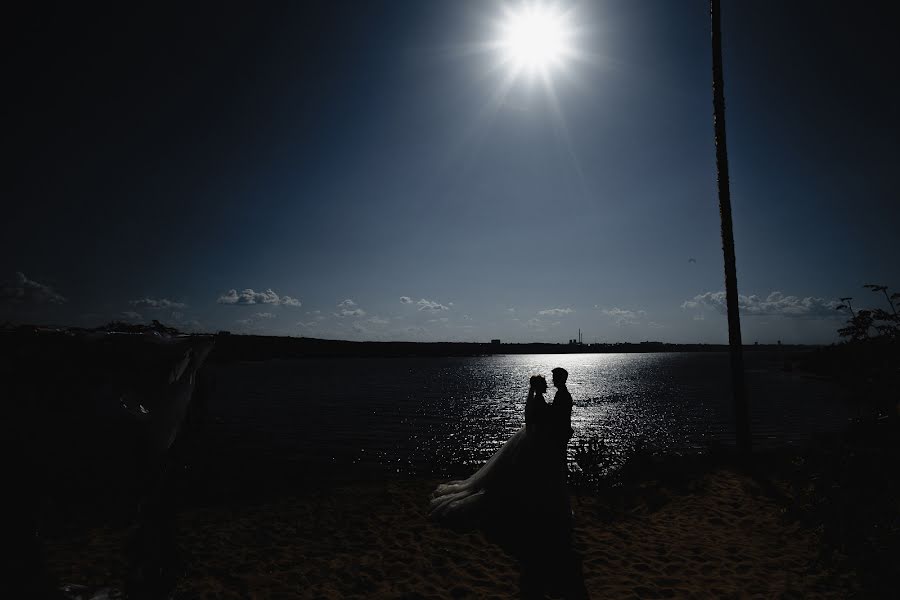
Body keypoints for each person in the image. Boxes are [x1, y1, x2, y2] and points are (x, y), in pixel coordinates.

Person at [429, 375, 551, 522]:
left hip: (530, 435)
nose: (547, 386)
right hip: (533, 438)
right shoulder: (537, 400)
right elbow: (535, 420)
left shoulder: (535, 399)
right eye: (544, 384)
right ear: (538, 386)